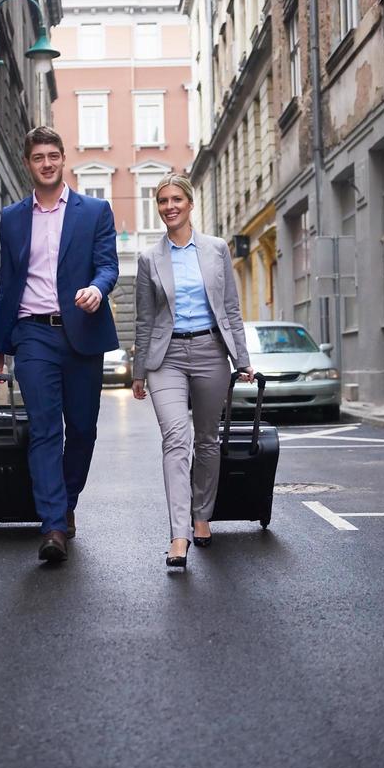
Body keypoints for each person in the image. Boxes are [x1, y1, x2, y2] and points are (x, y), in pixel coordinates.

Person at [0, 126, 119, 563]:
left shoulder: (95, 211)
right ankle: (53, 526)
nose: (47, 163)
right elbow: (8, 284)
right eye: (38, 156)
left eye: (53, 155)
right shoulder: (11, 218)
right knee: (45, 429)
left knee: (82, 429)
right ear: (28, 164)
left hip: (82, 330)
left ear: (64, 160)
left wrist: (97, 290)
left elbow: (107, 265)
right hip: (33, 333)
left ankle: (66, 502)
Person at [131, 173, 254, 568]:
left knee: (206, 440)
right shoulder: (150, 258)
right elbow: (145, 320)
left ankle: (203, 515)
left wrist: (243, 360)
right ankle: (179, 534)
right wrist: (138, 371)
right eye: (163, 201)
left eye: (176, 200)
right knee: (175, 439)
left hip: (209, 351)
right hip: (165, 358)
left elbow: (231, 309)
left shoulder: (217, 250)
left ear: (190, 203)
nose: (169, 207)